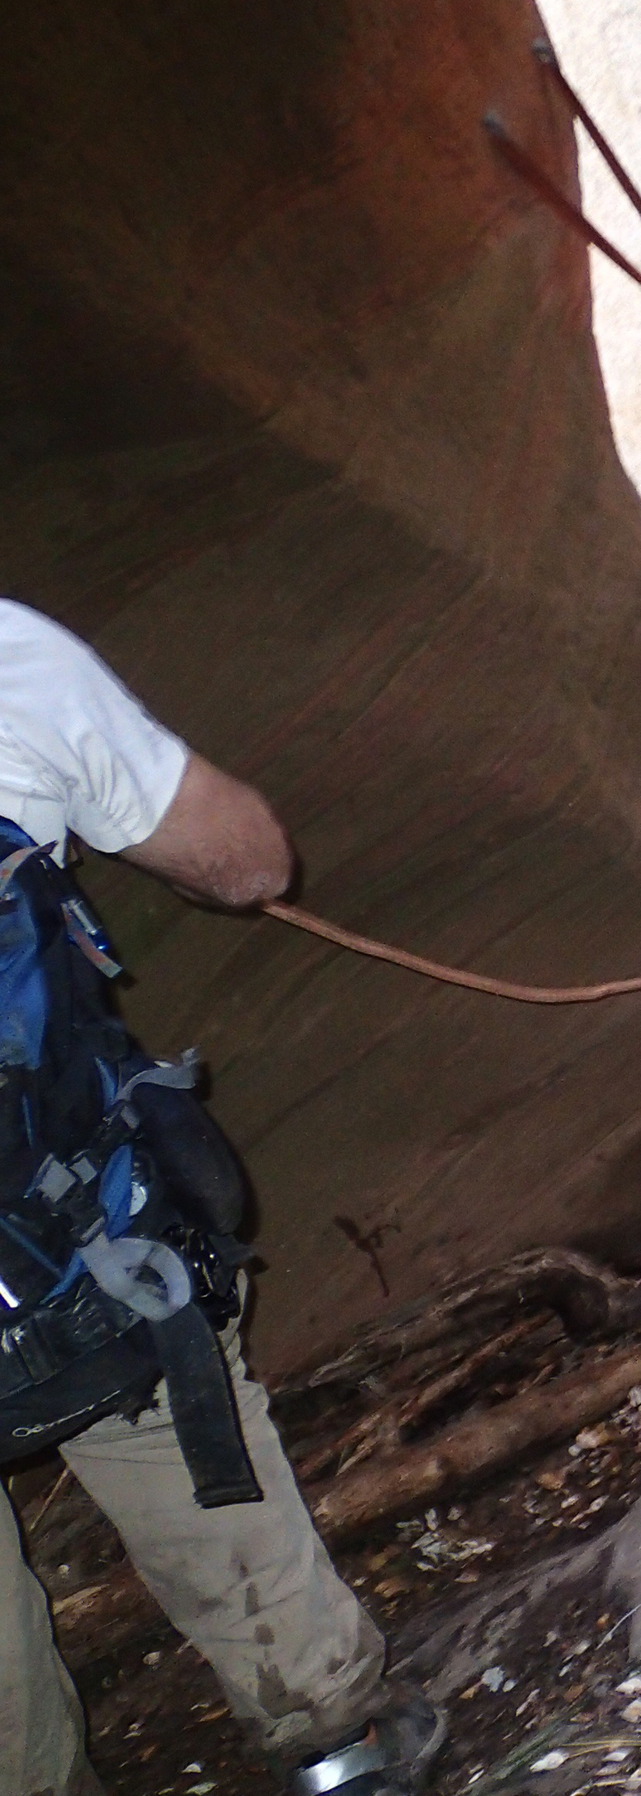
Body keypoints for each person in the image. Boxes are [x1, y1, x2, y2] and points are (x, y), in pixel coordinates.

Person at [0, 602, 441, 1796]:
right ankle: (338, 1745)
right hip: (78, 1260)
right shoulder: (10, 660)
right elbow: (248, 862)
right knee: (171, 1398)